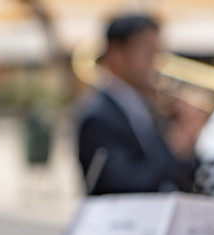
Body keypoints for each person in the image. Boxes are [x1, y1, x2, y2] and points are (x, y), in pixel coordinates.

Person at [77, 14, 204, 195]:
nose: (155, 63)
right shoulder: (98, 115)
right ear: (116, 54)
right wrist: (175, 149)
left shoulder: (148, 106)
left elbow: (179, 176)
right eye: (147, 53)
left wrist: (189, 143)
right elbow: (124, 184)